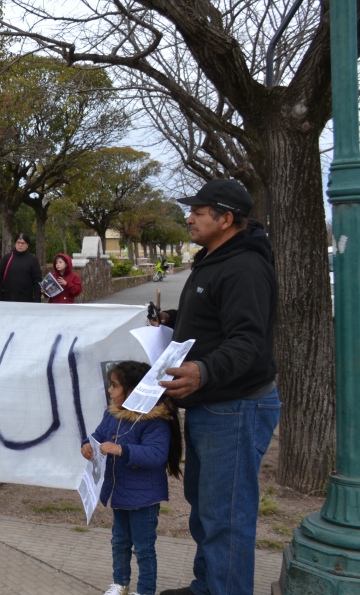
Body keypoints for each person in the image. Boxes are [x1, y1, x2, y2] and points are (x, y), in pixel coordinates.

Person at [155, 179, 280, 595]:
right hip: (215, 407)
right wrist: (173, 320)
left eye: (199, 211)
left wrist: (203, 371)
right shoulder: (214, 258)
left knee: (226, 517)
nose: (189, 217)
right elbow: (215, 318)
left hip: (237, 407)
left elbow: (248, 340)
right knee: (206, 509)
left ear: (226, 219)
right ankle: (208, 586)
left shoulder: (244, 267)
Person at [82, 361, 182, 595]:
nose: (110, 391)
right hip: (119, 493)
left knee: (144, 548)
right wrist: (87, 445)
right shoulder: (113, 414)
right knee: (119, 542)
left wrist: (121, 450)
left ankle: (145, 590)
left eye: (114, 386)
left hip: (144, 499)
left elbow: (157, 455)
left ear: (133, 389)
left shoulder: (154, 420)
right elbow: (98, 436)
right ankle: (120, 584)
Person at [0, 233, 42, 302]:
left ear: (27, 245)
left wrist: (37, 300)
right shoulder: (7, 258)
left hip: (26, 300)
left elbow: (37, 281)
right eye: (18, 242)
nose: (20, 245)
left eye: (23, 243)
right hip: (7, 299)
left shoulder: (33, 260)